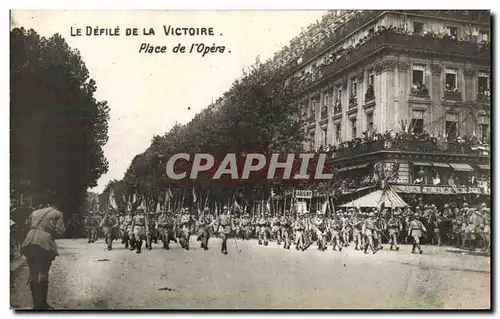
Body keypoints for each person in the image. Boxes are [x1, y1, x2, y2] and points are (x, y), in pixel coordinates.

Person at [21, 199, 65, 309]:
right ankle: (43, 304)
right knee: (43, 272)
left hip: (29, 241)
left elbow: (26, 225)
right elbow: (61, 231)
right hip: (44, 242)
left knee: (33, 273)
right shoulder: (58, 213)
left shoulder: (35, 212)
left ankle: (36, 305)